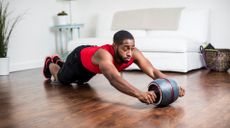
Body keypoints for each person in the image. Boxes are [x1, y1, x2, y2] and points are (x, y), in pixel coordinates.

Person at [43, 30, 185, 105]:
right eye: (125, 48)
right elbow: (114, 78)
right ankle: (51, 63)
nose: (129, 53)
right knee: (61, 80)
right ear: (115, 46)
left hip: (90, 66)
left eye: (132, 48)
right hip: (77, 59)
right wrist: (139, 94)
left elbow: (153, 71)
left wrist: (173, 85)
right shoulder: (104, 56)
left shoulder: (134, 53)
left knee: (81, 83)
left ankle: (61, 63)